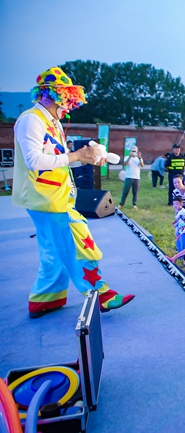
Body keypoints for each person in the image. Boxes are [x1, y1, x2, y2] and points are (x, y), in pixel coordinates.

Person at [12, 66, 134, 317]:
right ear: (51, 95)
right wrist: (77, 155)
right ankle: (100, 295)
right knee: (80, 243)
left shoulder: (49, 121)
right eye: (66, 99)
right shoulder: (31, 120)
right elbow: (35, 160)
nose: (68, 106)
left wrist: (83, 159)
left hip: (51, 197)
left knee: (53, 251)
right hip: (48, 200)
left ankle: (45, 299)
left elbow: (60, 159)